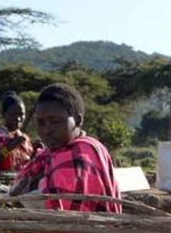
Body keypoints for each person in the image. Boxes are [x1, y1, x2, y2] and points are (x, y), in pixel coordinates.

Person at [8, 82, 121, 212]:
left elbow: (58, 209)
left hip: (85, 229)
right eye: (41, 123)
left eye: (55, 121)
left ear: (78, 121)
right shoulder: (51, 153)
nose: (47, 130)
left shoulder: (81, 153)